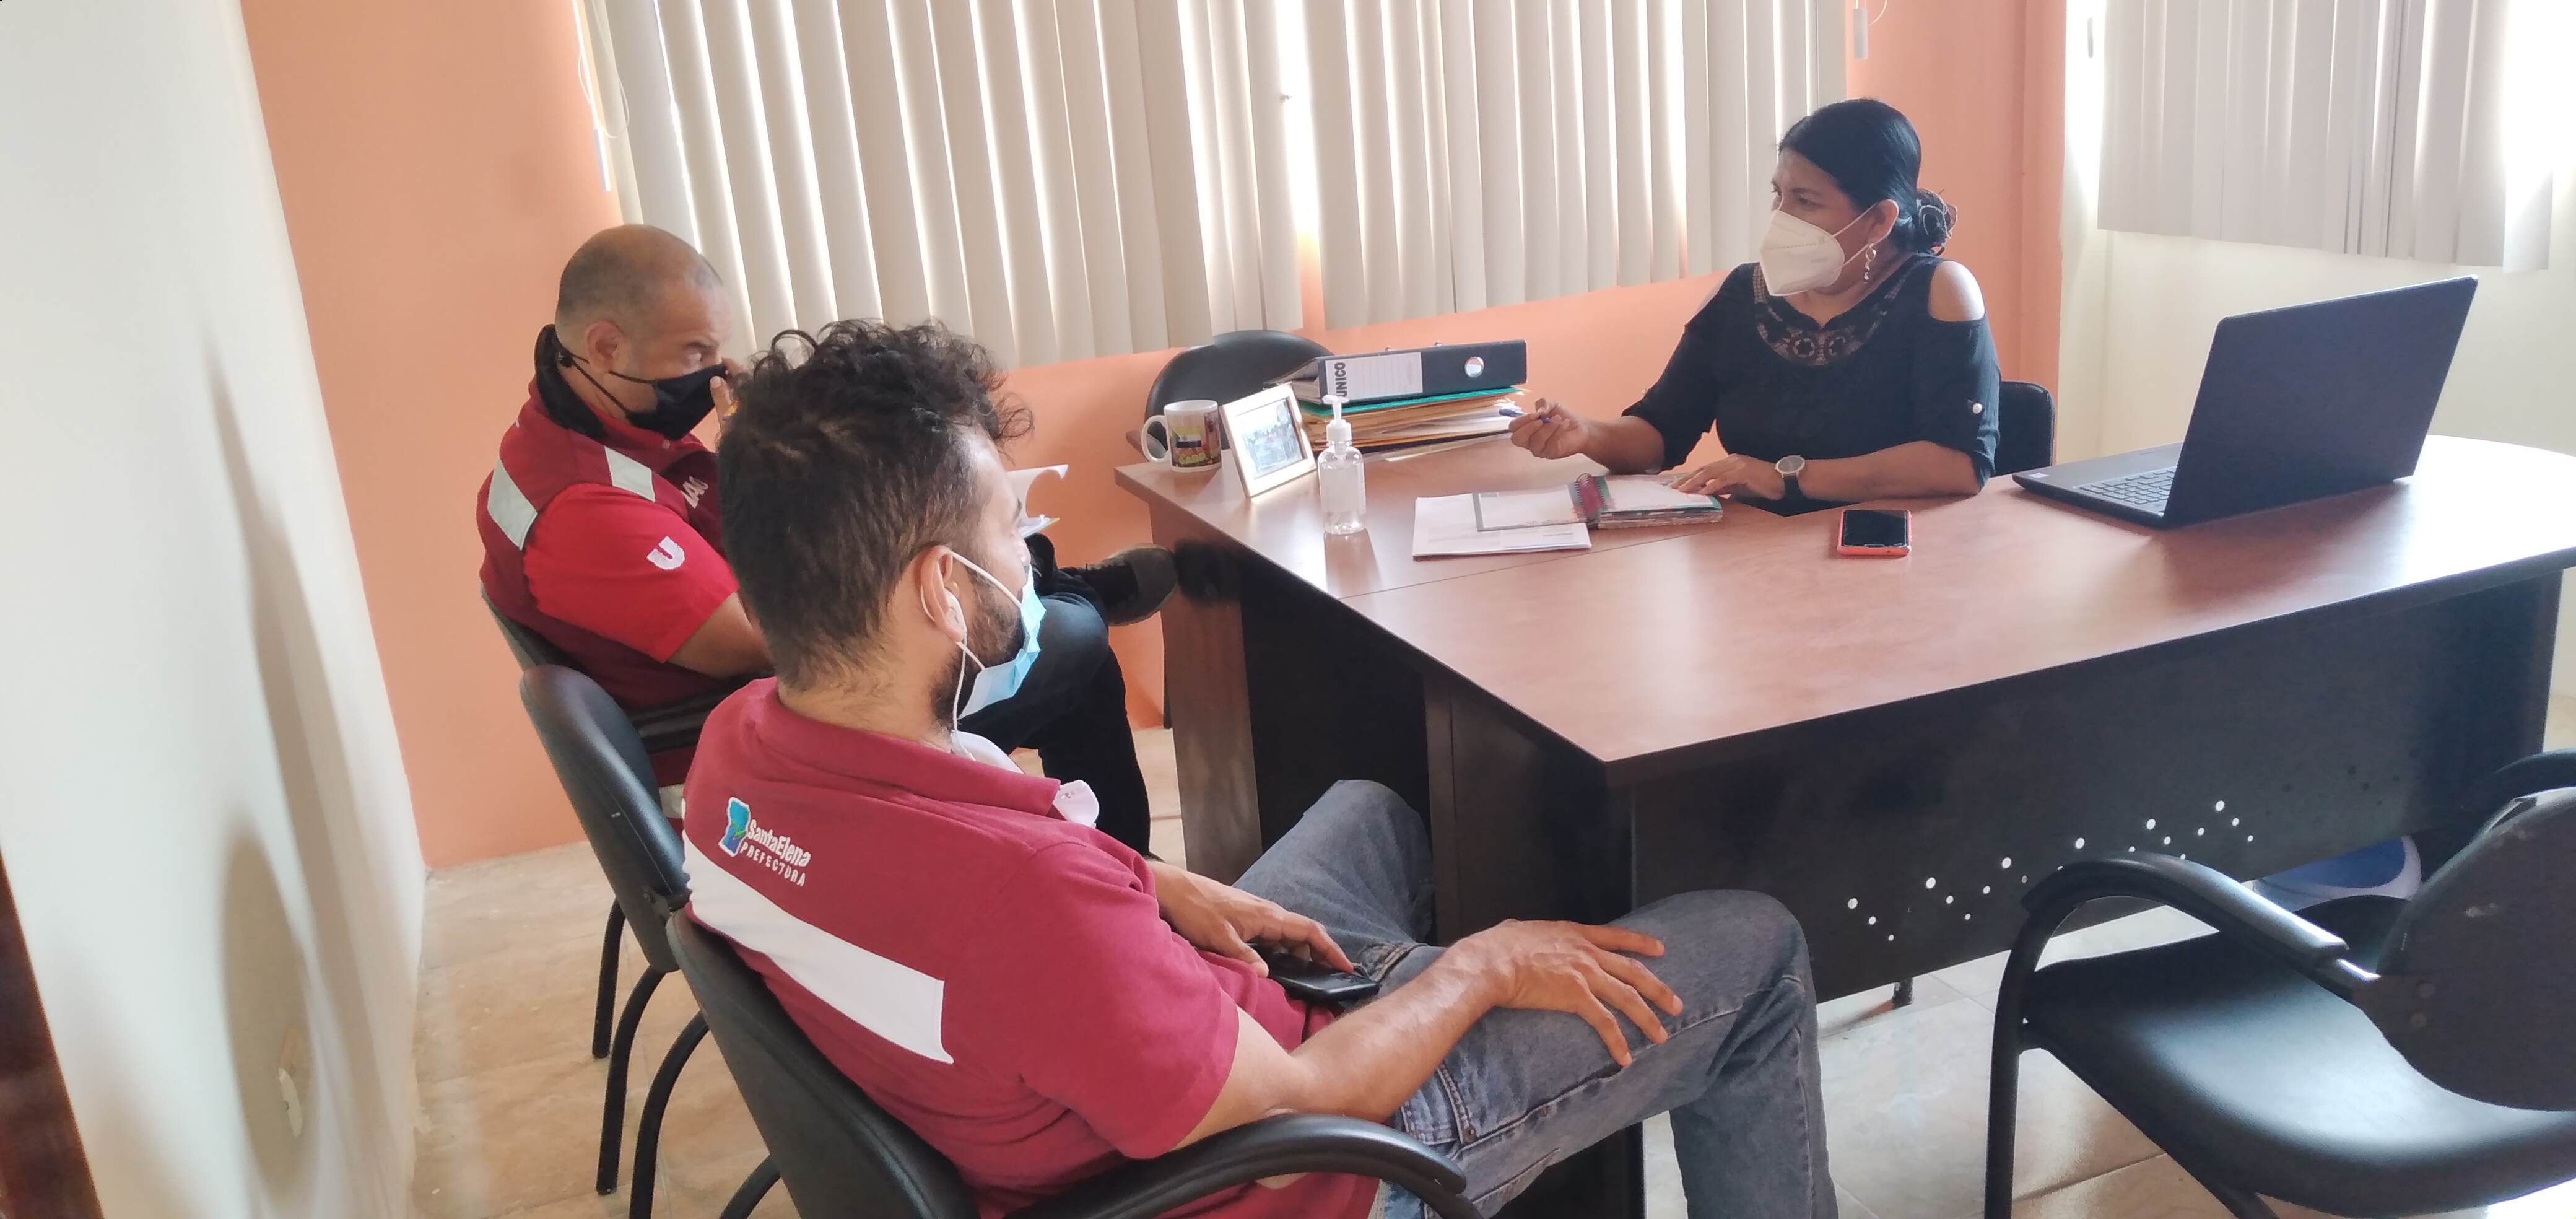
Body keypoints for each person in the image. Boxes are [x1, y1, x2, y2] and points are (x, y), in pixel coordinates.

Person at [681, 318, 1835, 1218]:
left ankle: (1427, 996)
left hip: (1153, 1038)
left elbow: (1014, 923)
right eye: (1007, 529)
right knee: (1756, 946)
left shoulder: (737, 754)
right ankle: (1452, 1015)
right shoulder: (1022, 904)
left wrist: (1161, 883)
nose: (1029, 558)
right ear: (942, 588)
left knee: (1372, 811)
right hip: (1302, 1157)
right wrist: (1481, 971)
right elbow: (1295, 1110)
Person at [476, 225, 1172, 852]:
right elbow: (765, 637)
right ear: (606, 346)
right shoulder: (582, 508)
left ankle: (1116, 859)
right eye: (695, 351)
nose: (717, 370)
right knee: (1076, 641)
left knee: (1022, 615)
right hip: (772, 752)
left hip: (775, 699)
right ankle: (1123, 873)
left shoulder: (600, 430)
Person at [1510, 98, 2000, 517]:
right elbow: (1661, 433)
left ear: (1878, 221)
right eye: (1779, 196)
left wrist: (1785, 478)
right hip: (1753, 554)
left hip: (1889, 555)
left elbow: (1957, 464)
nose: (1782, 218)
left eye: (1806, 202)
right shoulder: (1743, 294)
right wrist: (1587, 435)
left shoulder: (1939, 291)